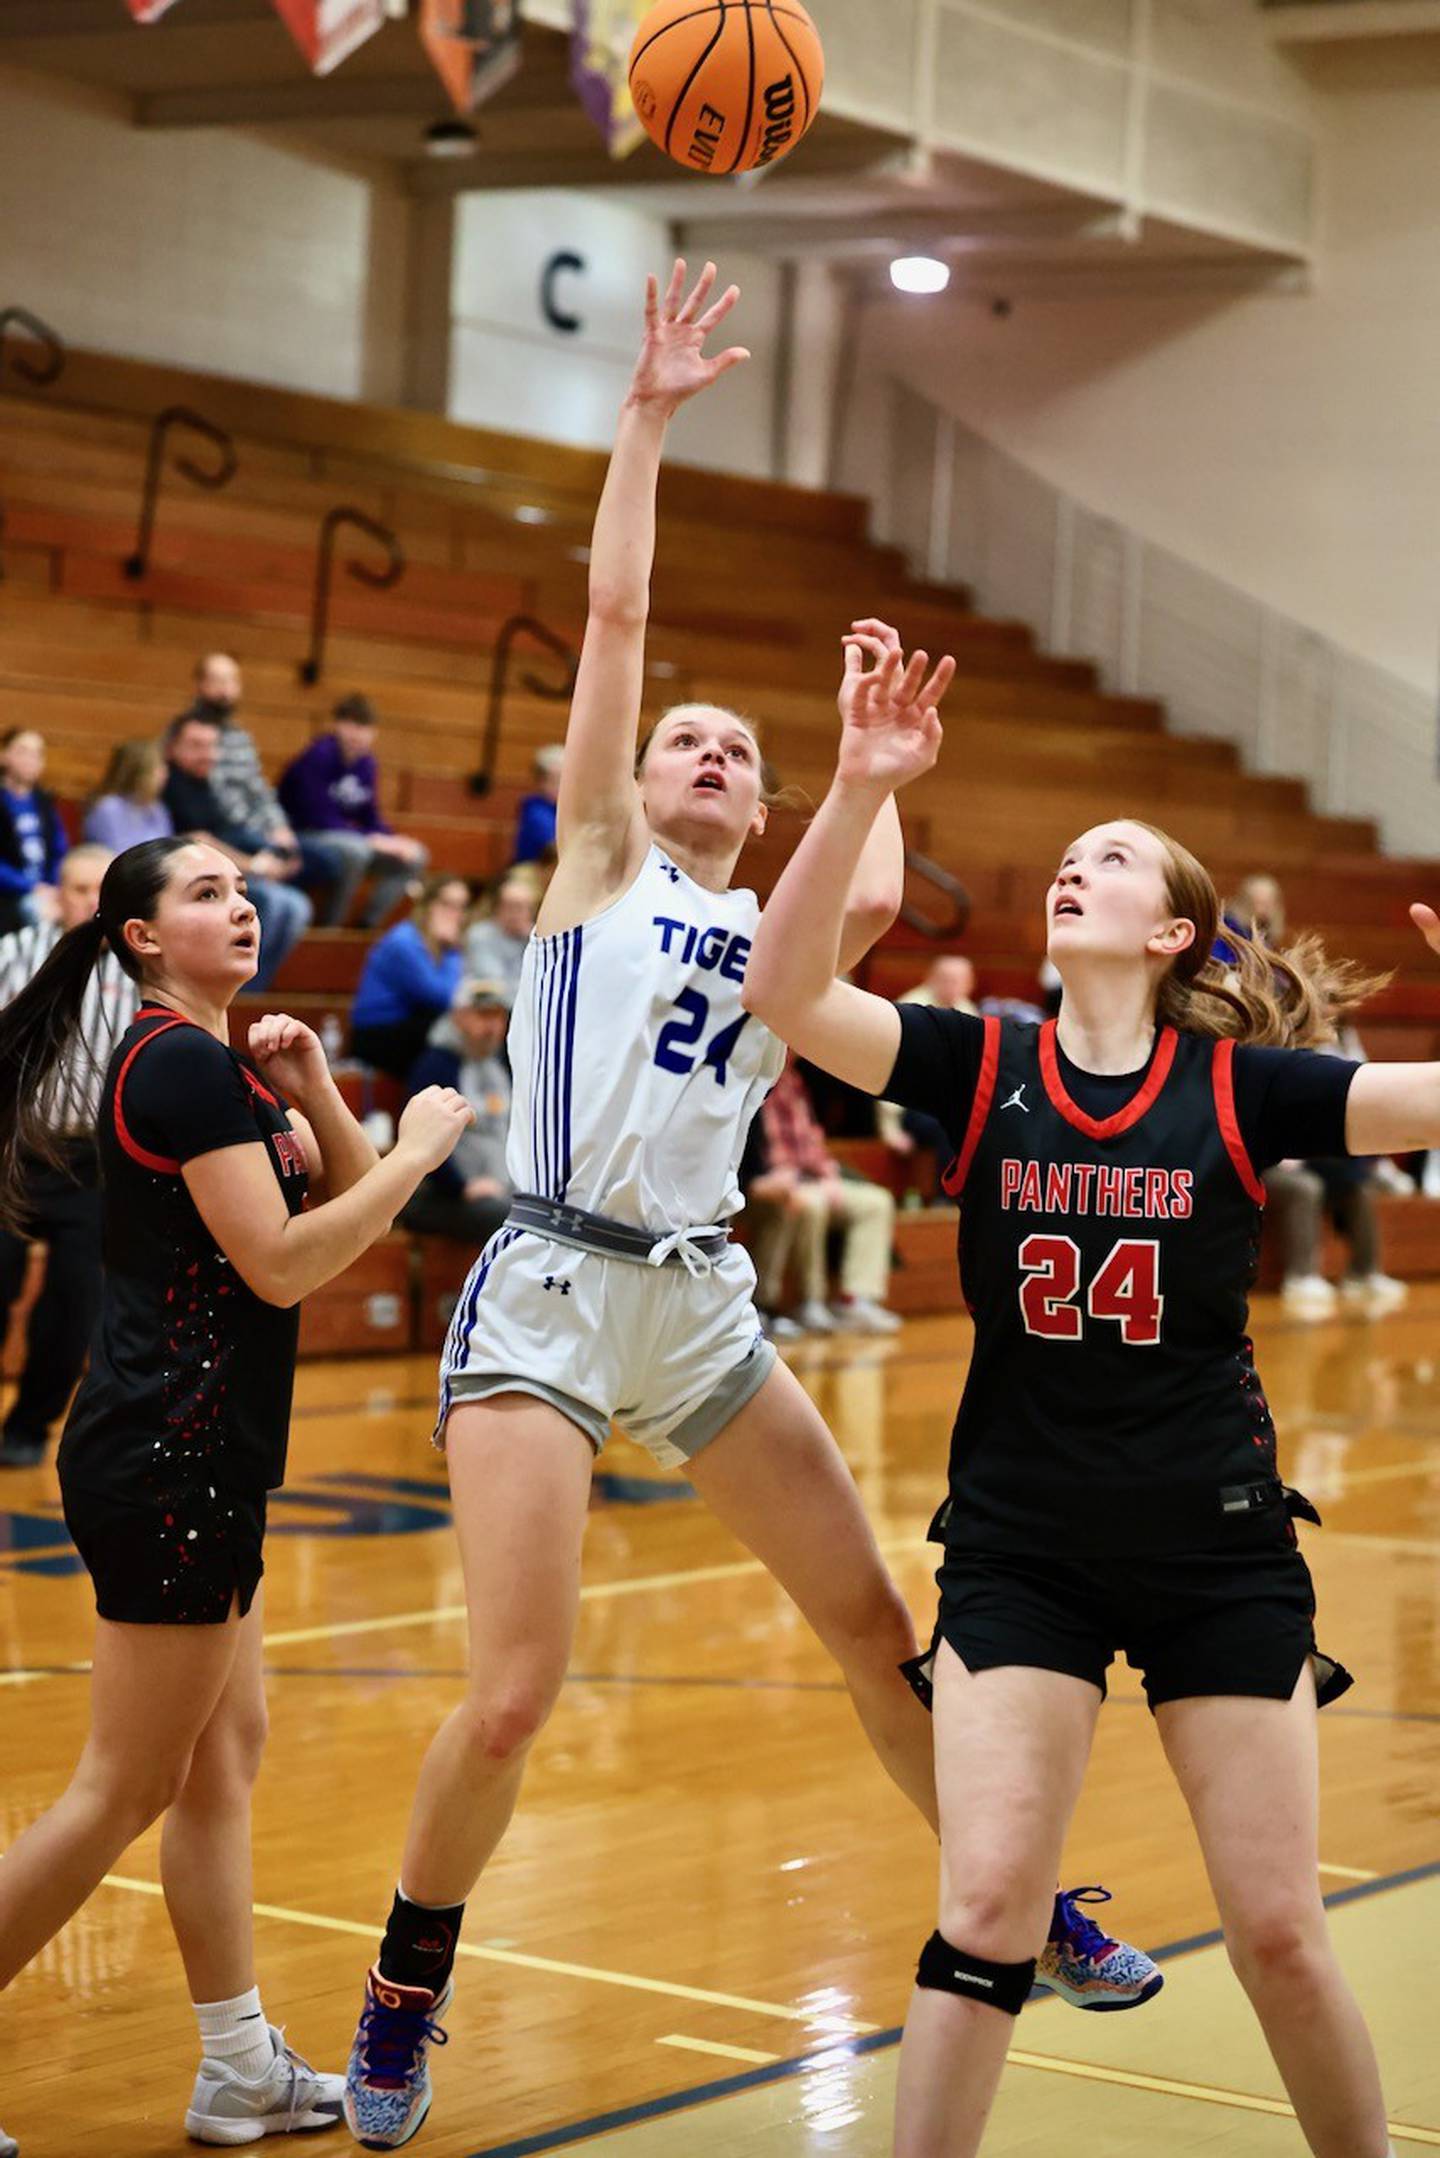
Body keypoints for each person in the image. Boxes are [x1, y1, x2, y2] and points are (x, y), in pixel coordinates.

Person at [339, 260, 1156, 2156]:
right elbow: (617, 610)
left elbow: (858, 883)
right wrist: (642, 421)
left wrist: (871, 763)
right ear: (625, 785)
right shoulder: (600, 866)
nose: (705, 751)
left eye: (737, 747)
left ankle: (1025, 1898)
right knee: (519, 1692)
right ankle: (404, 1981)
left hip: (701, 1296)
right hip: (546, 1278)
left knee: (883, 1626)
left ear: (766, 798)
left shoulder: (802, 919)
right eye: (680, 737)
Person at [742, 660, 1440, 2157]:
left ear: (1174, 927)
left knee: (1278, 1932)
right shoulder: (982, 1061)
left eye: (1112, 855)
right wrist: (864, 778)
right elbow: (786, 993)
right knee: (987, 1910)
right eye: (1069, 854)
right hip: (1023, 1545)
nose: (1078, 863)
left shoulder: (1247, 1089)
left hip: (1219, 1549)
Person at [0, 835, 472, 2156]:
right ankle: (237, 2065)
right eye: (205, 891)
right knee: (120, 1786)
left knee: (221, 1761)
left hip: (193, 1454)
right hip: (171, 1459)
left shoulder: (211, 1063)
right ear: (142, 936)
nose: (241, 903)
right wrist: (421, 1152)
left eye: (242, 886)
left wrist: (320, 1085)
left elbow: (334, 1187)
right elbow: (283, 1263)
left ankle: (238, 2070)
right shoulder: (180, 1061)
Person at [0, 846, 138, 1468]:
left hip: (91, 1160)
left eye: (100, 892)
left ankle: (29, 1426)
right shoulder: (13, 954)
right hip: (13, 1146)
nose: (89, 903)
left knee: (74, 1299)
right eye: (78, 889)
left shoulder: (142, 971)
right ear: (58, 894)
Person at [746, 1048, 899, 1334]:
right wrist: (781, 1178)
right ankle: (810, 1301)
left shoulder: (795, 1083)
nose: (794, 1053)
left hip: (810, 1177)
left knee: (876, 1203)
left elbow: (812, 1142)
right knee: (811, 1204)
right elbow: (755, 1157)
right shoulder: (754, 1085)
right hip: (777, 1180)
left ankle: (856, 1299)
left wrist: (828, 1175)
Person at [163, 714, 312, 991]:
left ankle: (253, 990)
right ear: (172, 747)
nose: (206, 754)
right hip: (195, 881)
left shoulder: (209, 786)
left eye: (211, 746)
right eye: (196, 745)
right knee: (271, 903)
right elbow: (198, 839)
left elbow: (232, 831)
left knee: (298, 906)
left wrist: (273, 855)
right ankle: (236, 990)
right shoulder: (169, 785)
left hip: (227, 869)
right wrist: (255, 865)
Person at [277, 695, 429, 928]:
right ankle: (331, 928)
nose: (357, 734)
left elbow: (369, 815)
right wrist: (372, 840)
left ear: (374, 733)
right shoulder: (318, 756)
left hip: (344, 837)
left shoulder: (367, 764)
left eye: (364, 727)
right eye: (352, 725)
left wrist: (391, 840)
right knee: (356, 851)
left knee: (415, 855)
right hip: (304, 833)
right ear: (337, 725)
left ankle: (366, 925)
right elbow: (317, 816)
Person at [398, 978, 514, 1249]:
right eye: (483, 1015)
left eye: (498, 1017)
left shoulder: (500, 1064)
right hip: (447, 1196)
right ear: (459, 1017)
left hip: (501, 1189)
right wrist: (461, 1186)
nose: (492, 1027)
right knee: (511, 1220)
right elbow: (421, 1141)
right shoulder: (436, 1065)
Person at [349, 876, 469, 1080]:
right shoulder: (404, 940)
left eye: (461, 906)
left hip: (408, 1026)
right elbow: (442, 997)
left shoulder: (432, 944)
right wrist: (451, 950)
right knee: (448, 1033)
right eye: (447, 904)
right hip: (376, 1033)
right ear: (428, 905)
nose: (455, 914)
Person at [877, 954, 979, 1177]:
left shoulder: (969, 1011)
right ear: (930, 979)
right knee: (948, 1125)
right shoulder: (909, 1011)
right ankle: (946, 1198)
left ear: (970, 984)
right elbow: (891, 1069)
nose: (951, 986)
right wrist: (891, 1131)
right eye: (945, 979)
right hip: (910, 1106)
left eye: (958, 980)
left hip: (948, 1101)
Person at [0, 729, 67, 937]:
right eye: (23, 751)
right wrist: (30, 886)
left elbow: (60, 849)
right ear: (4, 755)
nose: (31, 760)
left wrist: (55, 885)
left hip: (46, 890)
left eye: (37, 754)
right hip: (10, 892)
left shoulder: (44, 802)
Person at [83, 738, 175, 853]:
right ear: (139, 772)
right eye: (158, 767)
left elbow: (167, 852)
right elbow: (119, 855)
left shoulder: (157, 808)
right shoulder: (109, 807)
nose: (165, 773)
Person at [462, 870, 537, 1001]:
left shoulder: (536, 939)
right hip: (488, 1010)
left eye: (521, 907)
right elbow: (493, 987)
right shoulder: (481, 935)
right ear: (497, 908)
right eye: (510, 906)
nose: (515, 913)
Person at [512, 744, 563, 864]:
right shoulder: (535, 810)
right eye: (557, 780)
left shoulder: (561, 808)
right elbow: (554, 848)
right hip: (531, 870)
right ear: (542, 782)